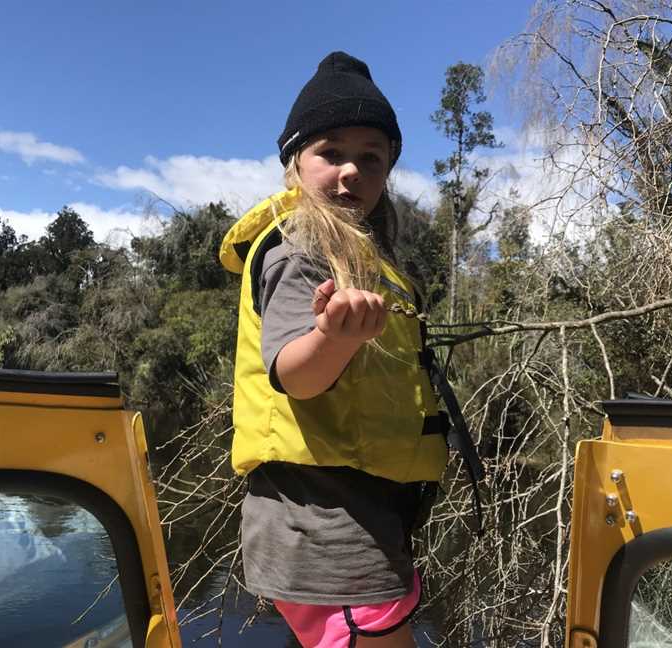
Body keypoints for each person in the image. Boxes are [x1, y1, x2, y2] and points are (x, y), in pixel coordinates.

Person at [219, 51, 449, 648]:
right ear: (294, 165)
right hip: (323, 524)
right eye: (331, 152)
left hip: (361, 516)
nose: (351, 170)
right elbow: (293, 375)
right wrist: (332, 337)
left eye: (371, 158)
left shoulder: (372, 257)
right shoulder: (299, 251)